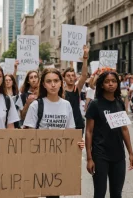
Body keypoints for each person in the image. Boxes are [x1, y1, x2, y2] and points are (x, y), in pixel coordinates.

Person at [23, 68, 85, 198]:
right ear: (43, 84)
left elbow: (70, 132)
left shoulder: (66, 105)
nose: (53, 84)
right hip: (38, 158)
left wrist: (77, 143)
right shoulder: (36, 105)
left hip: (58, 160)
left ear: (61, 83)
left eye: (56, 81)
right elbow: (28, 135)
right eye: (49, 81)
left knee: (53, 195)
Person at [85, 71, 133, 198]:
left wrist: (130, 153)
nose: (111, 84)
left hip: (118, 155)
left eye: (113, 81)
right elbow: (89, 131)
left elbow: (124, 129)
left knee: (117, 193)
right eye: (107, 82)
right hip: (100, 154)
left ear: (117, 84)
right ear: (101, 85)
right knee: (100, 193)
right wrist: (90, 158)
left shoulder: (119, 103)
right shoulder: (95, 104)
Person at [63, 45, 89, 134]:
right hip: (64, 124)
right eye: (68, 76)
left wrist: (85, 57)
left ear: (75, 78)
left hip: (77, 123)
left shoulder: (77, 89)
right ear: (64, 78)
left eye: (73, 75)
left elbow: (84, 75)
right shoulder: (60, 91)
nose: (71, 78)